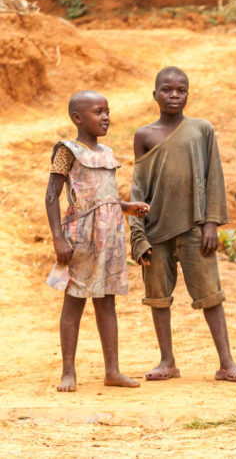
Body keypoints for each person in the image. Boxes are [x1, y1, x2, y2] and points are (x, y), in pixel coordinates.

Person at [130, 67, 236, 383]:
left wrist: (211, 223)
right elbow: (138, 187)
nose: (174, 95)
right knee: (158, 297)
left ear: (188, 93)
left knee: (211, 295)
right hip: (156, 230)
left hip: (196, 228)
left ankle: (227, 362)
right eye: (167, 90)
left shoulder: (201, 129)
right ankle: (167, 361)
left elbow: (215, 177)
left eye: (180, 90)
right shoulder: (144, 135)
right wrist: (137, 235)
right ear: (154, 94)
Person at [45, 91, 149, 392]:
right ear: (77, 118)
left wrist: (127, 207)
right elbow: (52, 196)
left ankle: (112, 370)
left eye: (107, 111)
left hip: (111, 234)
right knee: (74, 300)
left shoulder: (107, 151)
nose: (105, 117)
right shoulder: (67, 151)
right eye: (97, 111)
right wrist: (57, 237)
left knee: (107, 301)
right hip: (80, 235)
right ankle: (68, 372)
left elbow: (106, 196)